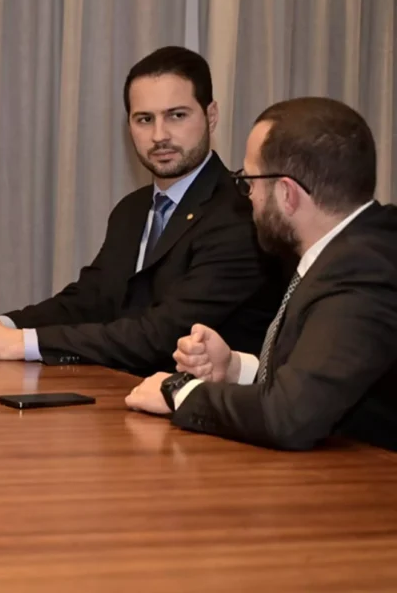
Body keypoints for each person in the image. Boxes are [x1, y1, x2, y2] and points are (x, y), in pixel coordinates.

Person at [0, 46, 284, 375]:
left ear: (211, 116)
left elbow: (160, 335)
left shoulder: (241, 213)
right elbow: (89, 300)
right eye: (144, 119)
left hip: (203, 416)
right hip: (121, 396)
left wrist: (16, 343)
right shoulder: (133, 209)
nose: (159, 136)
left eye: (176, 115)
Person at [126, 97, 397, 451]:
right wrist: (236, 368)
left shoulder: (366, 270)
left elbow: (291, 416)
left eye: (249, 181)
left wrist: (179, 391)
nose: (248, 196)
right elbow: (325, 381)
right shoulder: (349, 251)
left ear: (287, 194)